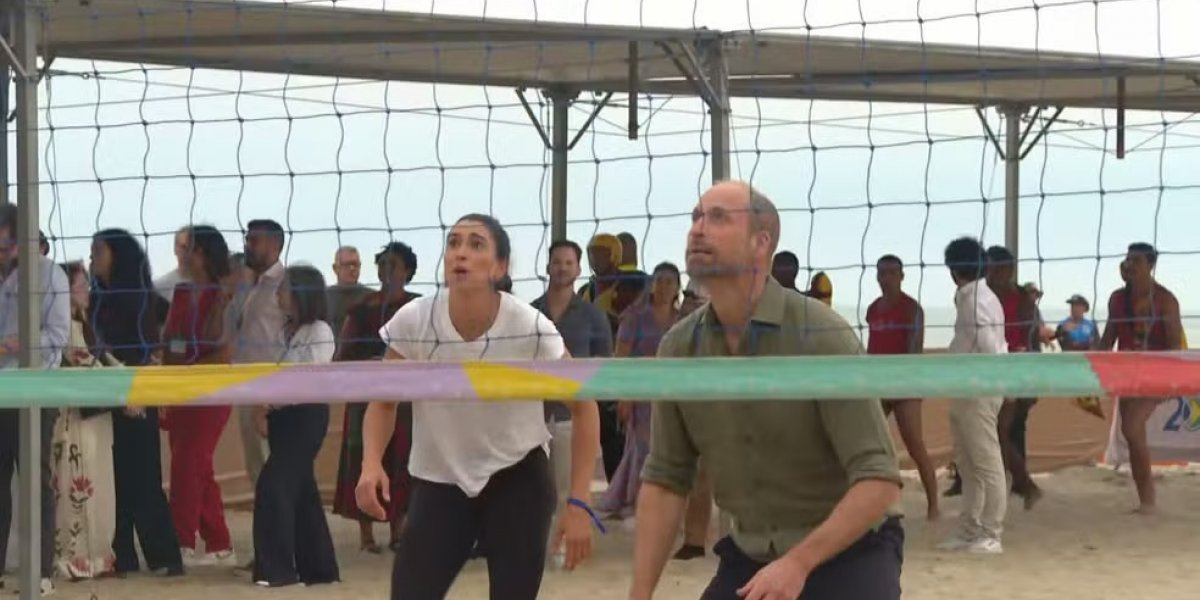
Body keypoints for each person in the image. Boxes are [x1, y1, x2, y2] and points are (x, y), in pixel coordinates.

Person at [631, 182, 904, 600]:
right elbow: (666, 479)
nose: (698, 230)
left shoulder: (822, 335)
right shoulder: (680, 347)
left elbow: (880, 480)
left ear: (762, 243)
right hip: (749, 552)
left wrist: (797, 564)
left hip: (850, 548)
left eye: (718, 218)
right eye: (696, 217)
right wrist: (639, 595)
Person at [357, 214, 601, 600]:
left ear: (500, 267)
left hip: (517, 474)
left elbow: (585, 407)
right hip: (441, 480)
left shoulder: (529, 325)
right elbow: (384, 401)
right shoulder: (417, 319)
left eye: (475, 244)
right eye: (453, 243)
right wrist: (371, 463)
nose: (460, 253)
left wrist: (579, 501)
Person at [89, 228, 183, 577]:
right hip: (106, 397)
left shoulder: (140, 297)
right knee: (116, 479)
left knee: (142, 478)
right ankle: (122, 556)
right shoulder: (99, 296)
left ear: (119, 256)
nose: (92, 257)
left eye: (99, 250)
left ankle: (165, 557)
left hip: (136, 397)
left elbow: (159, 344)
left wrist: (145, 386)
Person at [251, 265, 340, 588]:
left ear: (302, 293)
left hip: (306, 417)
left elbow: (309, 381)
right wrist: (264, 407)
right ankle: (319, 569)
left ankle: (276, 571)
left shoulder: (319, 331)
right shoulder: (284, 331)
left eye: (284, 288)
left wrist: (271, 399)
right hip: (282, 420)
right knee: (303, 492)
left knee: (273, 485)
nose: (278, 294)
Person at [332, 242, 421, 553]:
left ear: (408, 271)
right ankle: (366, 536)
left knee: (401, 459)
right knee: (363, 459)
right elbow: (340, 355)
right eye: (382, 264)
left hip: (406, 400)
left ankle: (398, 532)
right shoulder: (362, 308)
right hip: (364, 397)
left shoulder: (418, 308)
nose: (386, 270)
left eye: (393, 265)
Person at [0, 203, 68, 596]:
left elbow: (56, 339)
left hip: (34, 391)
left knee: (35, 481)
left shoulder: (50, 275)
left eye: (6, 245)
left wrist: (15, 345)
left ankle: (41, 569)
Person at [161, 224, 237, 567]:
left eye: (185, 247)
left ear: (202, 253)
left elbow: (220, 349)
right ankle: (220, 543)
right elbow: (172, 341)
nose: (180, 253)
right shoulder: (181, 291)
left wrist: (220, 303)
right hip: (179, 383)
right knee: (196, 464)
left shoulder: (225, 293)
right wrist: (172, 373)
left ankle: (182, 541)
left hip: (211, 387)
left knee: (188, 462)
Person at [531, 240, 613, 530]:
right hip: (533, 414)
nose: (562, 268)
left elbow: (605, 361)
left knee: (571, 487)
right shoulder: (531, 313)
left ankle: (566, 541)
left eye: (568, 263)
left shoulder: (593, 315)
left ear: (578, 269)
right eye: (557, 262)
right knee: (535, 491)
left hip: (573, 415)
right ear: (547, 267)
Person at [1099, 242, 1183, 515]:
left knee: (1133, 427)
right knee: (1132, 433)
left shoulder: (1165, 300)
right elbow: (1107, 340)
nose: (1130, 265)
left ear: (1150, 266)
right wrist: (1093, 372)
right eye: (1128, 260)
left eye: (1136, 261)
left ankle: (1148, 500)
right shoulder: (1117, 299)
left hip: (1159, 373)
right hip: (1128, 374)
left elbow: (1174, 348)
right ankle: (1146, 499)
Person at [938, 237, 1008, 555]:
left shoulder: (976, 298)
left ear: (953, 270)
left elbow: (990, 348)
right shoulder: (973, 296)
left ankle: (992, 533)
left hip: (979, 387)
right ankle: (970, 530)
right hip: (967, 385)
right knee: (967, 463)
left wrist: (970, 371)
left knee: (986, 463)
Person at [53, 262, 119, 580]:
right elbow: (87, 366)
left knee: (99, 482)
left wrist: (136, 384)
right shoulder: (64, 327)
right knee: (78, 484)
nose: (88, 291)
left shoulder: (87, 324)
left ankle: (97, 555)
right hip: (76, 419)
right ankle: (75, 555)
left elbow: (107, 360)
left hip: (96, 417)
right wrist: (125, 390)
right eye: (81, 285)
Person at [865, 254, 939, 520]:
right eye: (881, 273)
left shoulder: (912, 308)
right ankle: (883, 500)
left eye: (891, 273)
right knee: (872, 444)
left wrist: (903, 381)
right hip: (878, 384)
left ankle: (933, 506)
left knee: (915, 444)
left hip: (905, 384)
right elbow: (872, 347)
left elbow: (914, 348)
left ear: (901, 276)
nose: (885, 278)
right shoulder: (873, 309)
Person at [232, 220, 288, 494]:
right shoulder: (245, 284)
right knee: (256, 466)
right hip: (244, 385)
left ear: (274, 245)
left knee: (277, 465)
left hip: (274, 390)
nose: (248, 246)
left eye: (255, 240)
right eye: (247, 239)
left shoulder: (287, 284)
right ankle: (268, 524)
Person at [984, 246, 1041, 509]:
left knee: (1000, 431)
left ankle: (1024, 485)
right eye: (990, 267)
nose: (993, 273)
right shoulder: (981, 296)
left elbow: (1032, 342)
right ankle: (1016, 485)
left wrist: (1032, 380)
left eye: (998, 268)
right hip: (988, 370)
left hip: (1014, 369)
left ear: (1008, 270)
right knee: (996, 432)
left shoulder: (1021, 300)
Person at [326, 245, 370, 343]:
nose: (352, 268)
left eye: (355, 264)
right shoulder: (322, 298)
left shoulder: (372, 298)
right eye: (347, 264)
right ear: (335, 268)